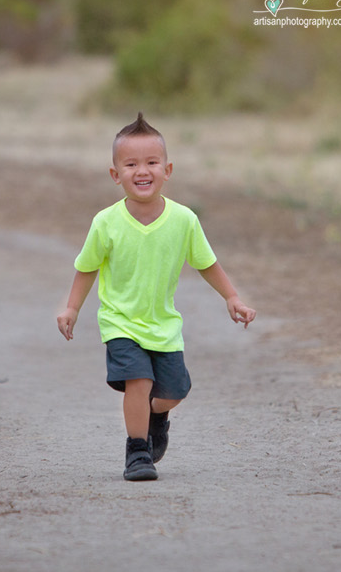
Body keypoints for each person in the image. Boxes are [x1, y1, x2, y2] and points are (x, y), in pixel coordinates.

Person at [57, 111, 255, 483]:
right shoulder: (106, 223)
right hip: (120, 321)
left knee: (173, 391)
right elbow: (87, 267)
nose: (141, 170)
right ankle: (137, 452)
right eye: (130, 164)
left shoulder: (183, 220)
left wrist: (232, 297)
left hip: (163, 325)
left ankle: (157, 417)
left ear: (168, 170)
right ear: (116, 175)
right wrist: (72, 307)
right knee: (139, 380)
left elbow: (206, 263)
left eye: (151, 162)